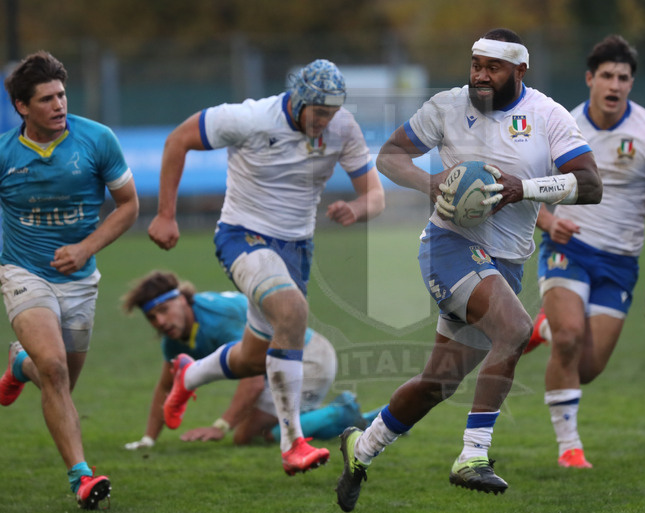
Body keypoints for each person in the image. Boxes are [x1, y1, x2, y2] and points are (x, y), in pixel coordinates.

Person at [334, 28, 602, 511]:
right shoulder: (447, 106)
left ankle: (362, 447)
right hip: (450, 246)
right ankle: (473, 455)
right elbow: (391, 156)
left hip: (506, 263)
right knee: (516, 329)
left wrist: (525, 189)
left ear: (519, 71)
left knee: (438, 382)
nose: (480, 75)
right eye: (476, 64)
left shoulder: (548, 116)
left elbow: (590, 183)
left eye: (492, 68)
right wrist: (430, 181)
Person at [147, 58, 385, 475]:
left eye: (332, 112)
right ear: (298, 100)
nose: (325, 122)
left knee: (252, 358)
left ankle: (189, 375)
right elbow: (178, 139)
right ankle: (293, 443)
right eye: (319, 112)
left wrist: (357, 208)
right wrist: (166, 214)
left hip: (296, 250)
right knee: (292, 311)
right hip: (242, 237)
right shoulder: (251, 118)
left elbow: (375, 196)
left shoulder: (343, 128)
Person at [520, 35, 645, 469]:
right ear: (589, 78)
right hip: (568, 248)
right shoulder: (562, 127)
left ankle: (543, 328)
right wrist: (549, 222)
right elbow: (524, 190)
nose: (615, 85)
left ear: (631, 83)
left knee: (587, 366)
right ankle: (569, 448)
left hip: (620, 263)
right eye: (607, 76)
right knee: (570, 338)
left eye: (623, 78)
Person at [0, 51, 139, 509]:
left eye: (61, 95)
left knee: (58, 381)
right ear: (22, 107)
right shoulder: (4, 154)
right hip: (22, 271)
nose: (59, 104)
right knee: (55, 369)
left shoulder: (96, 139)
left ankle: (19, 366)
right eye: (46, 99)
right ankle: (82, 476)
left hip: (80, 279)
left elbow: (129, 206)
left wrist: (84, 248)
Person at [120, 270, 378, 449]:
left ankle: (341, 411)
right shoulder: (173, 339)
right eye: (151, 317)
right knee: (271, 429)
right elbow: (166, 386)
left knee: (252, 435)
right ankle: (376, 421)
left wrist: (221, 426)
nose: (160, 321)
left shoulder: (217, 317)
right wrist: (148, 439)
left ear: (181, 299)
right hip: (282, 363)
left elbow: (252, 378)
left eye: (164, 310)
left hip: (307, 357)